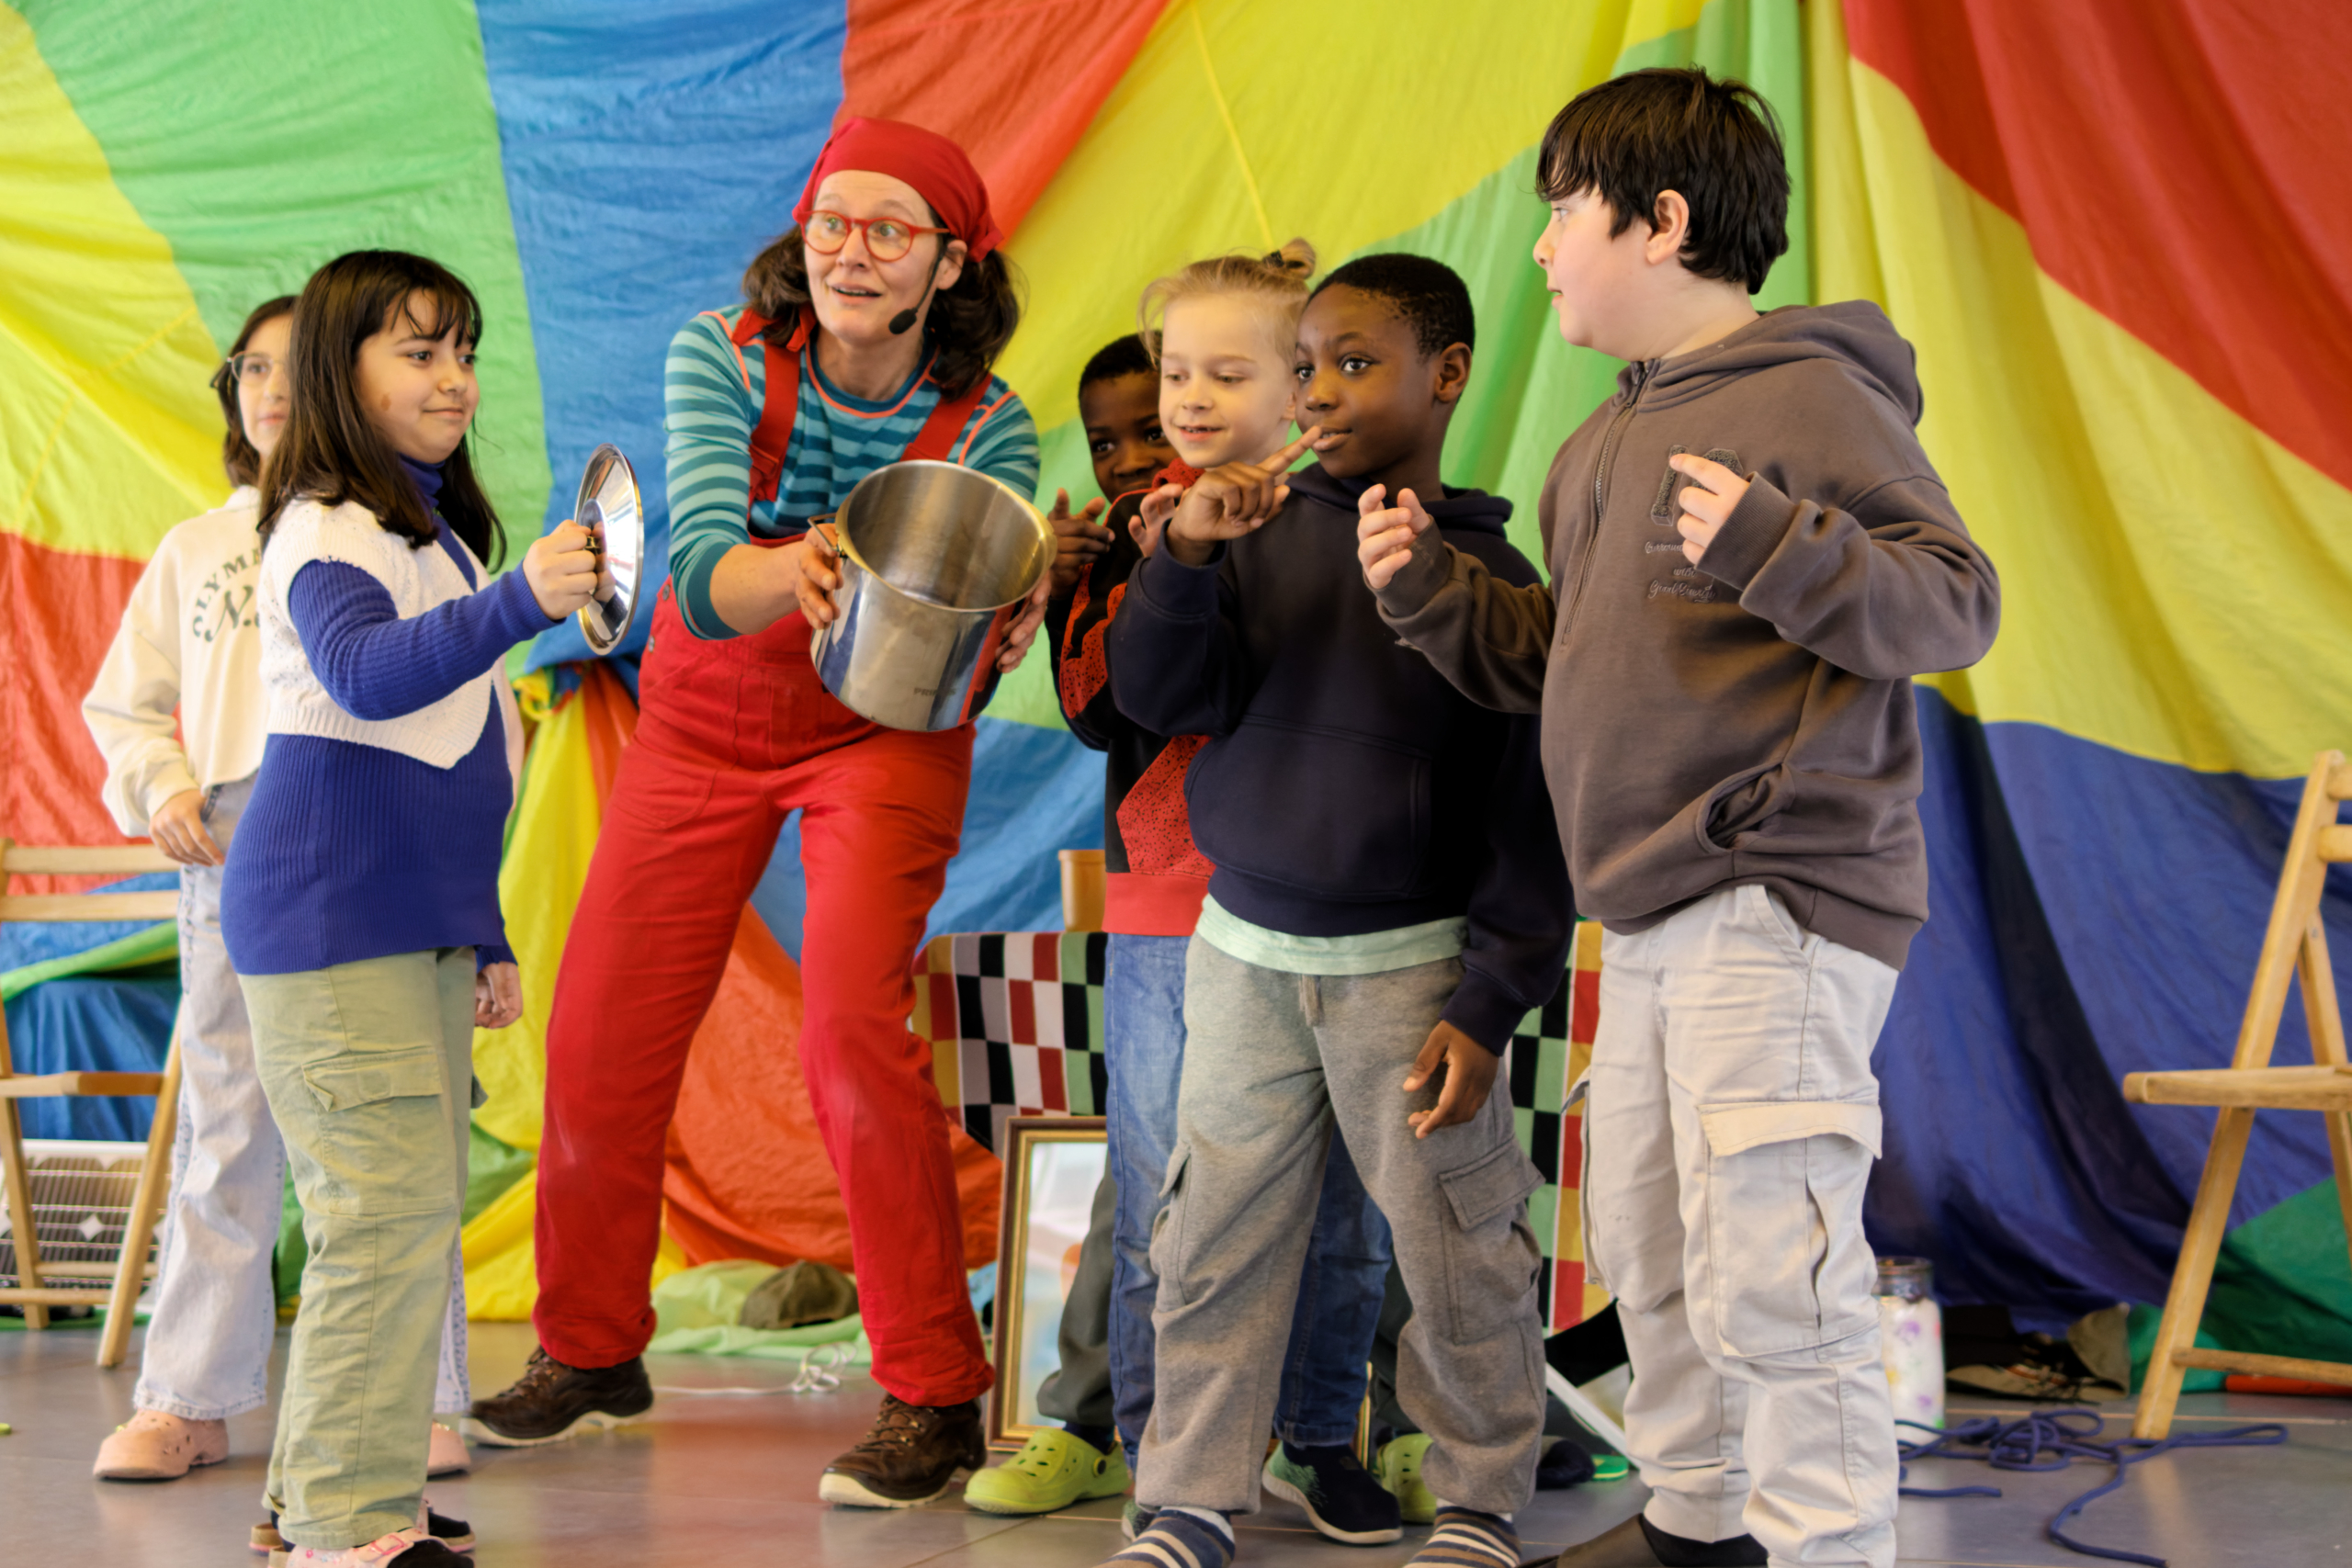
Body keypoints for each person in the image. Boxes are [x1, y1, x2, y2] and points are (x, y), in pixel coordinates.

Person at [1358, 70, 2000, 1568]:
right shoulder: (1599, 444)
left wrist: (1783, 541)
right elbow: (1559, 661)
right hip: (1645, 910)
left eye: (1563, 214)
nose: (1540, 248)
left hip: (1775, 894)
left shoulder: (1812, 396)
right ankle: (1697, 1531)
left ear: (1660, 222)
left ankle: (1822, 1547)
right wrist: (1432, 596)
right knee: (1651, 1248)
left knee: (1773, 1263)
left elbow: (1952, 602)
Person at [468, 118, 1063, 1512]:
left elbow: (972, 622)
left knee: (851, 1029)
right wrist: (796, 568)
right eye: (831, 222)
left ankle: (934, 1392)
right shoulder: (724, 354)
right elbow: (696, 574)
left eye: (890, 230)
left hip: (885, 729)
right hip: (706, 713)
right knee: (600, 1030)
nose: (851, 251)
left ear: (949, 264)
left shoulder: (992, 426)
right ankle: (589, 1348)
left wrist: (1007, 612)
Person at [1100, 253, 1572, 1568]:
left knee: (1458, 1244)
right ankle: (1190, 1499)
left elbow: (1529, 817)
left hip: (1409, 975)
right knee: (1214, 1234)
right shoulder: (1245, 532)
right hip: (1240, 953)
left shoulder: (1490, 574)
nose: (1318, 392)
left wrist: (1492, 998)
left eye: (1356, 364)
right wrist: (1185, 556)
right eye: (1307, 365)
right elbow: (1158, 698)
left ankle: (1480, 1500)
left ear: (1449, 375)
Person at [974, 312, 1404, 1547]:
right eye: (1177, 379)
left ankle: (1321, 1437)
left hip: (1327, 907)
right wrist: (1131, 566)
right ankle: (1160, 1453)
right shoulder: (1132, 539)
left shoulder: (1350, 514)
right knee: (1164, 1190)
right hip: (1171, 907)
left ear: (1293, 385)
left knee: (1344, 1200)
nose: (1189, 402)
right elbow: (1102, 709)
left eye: (1230, 372)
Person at [220, 249, 601, 1566]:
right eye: (420, 352)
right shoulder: (323, 526)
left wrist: (480, 933)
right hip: (331, 925)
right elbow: (369, 678)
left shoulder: (426, 533)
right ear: (344, 370)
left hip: (410, 926)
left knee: (401, 1222)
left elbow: (451, 756)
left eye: (464, 353)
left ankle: (325, 1496)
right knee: (378, 1222)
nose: (455, 379)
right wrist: (524, 600)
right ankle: (346, 1521)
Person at [82, 296, 481, 1502]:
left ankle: (417, 1400)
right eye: (249, 369)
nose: (270, 389)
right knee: (229, 1125)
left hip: (378, 844)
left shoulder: (401, 532)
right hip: (234, 841)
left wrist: (478, 916)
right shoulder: (197, 548)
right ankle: (188, 1396)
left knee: (402, 1137)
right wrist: (162, 783)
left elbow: (467, 714)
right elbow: (121, 706)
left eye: (294, 367)